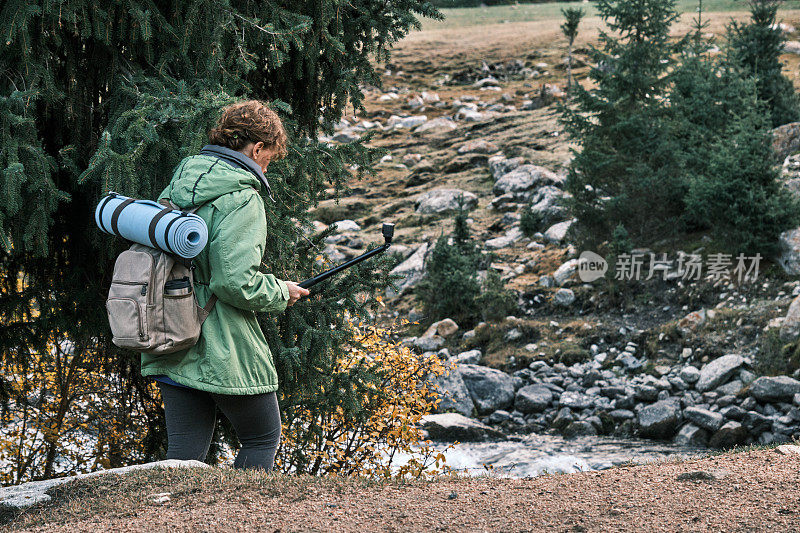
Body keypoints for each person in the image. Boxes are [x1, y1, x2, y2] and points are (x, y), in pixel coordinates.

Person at [140, 99, 310, 471]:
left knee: (183, 455)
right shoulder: (242, 198)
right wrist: (281, 291)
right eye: (269, 158)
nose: (268, 167)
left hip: (168, 328)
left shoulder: (184, 177)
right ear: (257, 148)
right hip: (220, 339)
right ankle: (250, 522)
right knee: (261, 436)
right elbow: (234, 282)